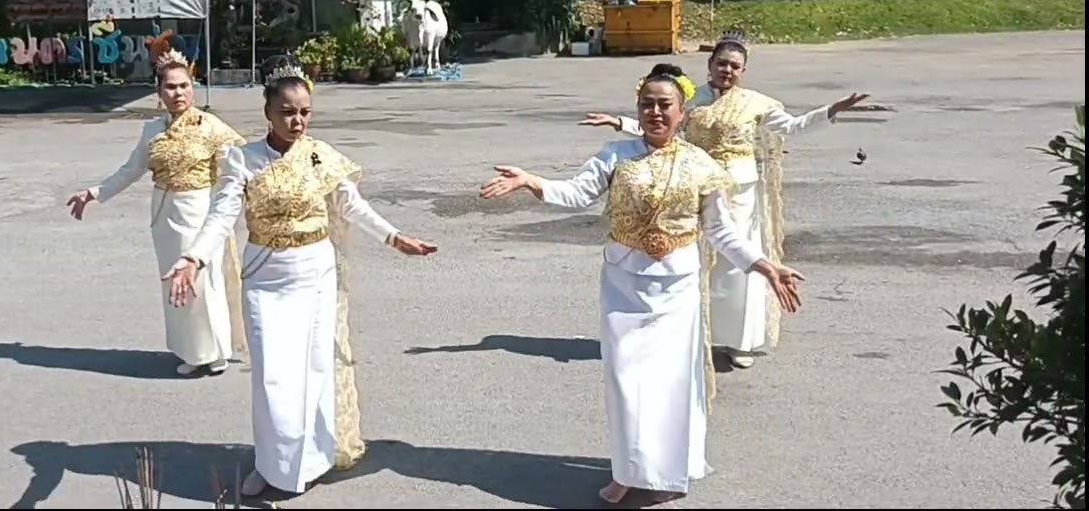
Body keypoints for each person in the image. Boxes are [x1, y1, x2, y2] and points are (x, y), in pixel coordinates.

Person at [481, 63, 805, 506]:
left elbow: (722, 231)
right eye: (647, 104)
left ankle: (665, 469)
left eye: (664, 105)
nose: (655, 112)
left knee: (669, 385)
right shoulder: (616, 155)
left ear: (682, 112)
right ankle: (629, 471)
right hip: (623, 285)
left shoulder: (701, 165)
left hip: (677, 290)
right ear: (638, 109)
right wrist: (533, 182)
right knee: (625, 381)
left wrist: (763, 265)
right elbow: (576, 194)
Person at [165, 55, 438, 498]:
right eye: (287, 112)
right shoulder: (243, 159)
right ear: (268, 112)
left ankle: (311, 459)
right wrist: (193, 258)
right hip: (266, 275)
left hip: (315, 272)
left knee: (312, 371)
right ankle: (271, 465)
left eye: (305, 112)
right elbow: (221, 218)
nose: (297, 121)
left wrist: (394, 238)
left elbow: (352, 205)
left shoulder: (320, 155)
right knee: (272, 376)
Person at [580, 33, 865, 372]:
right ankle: (691, 337)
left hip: (739, 192)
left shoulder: (756, 103)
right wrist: (619, 122)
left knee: (737, 266)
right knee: (696, 264)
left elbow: (792, 127)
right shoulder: (691, 99)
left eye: (735, 66)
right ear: (709, 64)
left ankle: (740, 342)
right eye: (721, 63)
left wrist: (830, 110)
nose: (727, 70)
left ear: (743, 71)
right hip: (693, 185)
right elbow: (661, 126)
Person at [67, 49, 247, 377]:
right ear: (159, 92)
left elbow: (240, 169)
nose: (177, 93)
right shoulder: (152, 131)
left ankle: (216, 350)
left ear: (193, 87)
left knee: (205, 282)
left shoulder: (212, 127)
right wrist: (94, 193)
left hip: (201, 210)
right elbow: (131, 170)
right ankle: (191, 350)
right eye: (170, 87)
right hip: (165, 213)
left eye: (183, 86)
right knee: (174, 284)